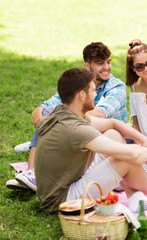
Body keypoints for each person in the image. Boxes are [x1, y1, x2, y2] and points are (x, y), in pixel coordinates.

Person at [35, 68, 147, 213]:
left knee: (113, 134)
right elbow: (132, 155)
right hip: (63, 201)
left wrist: (146, 141)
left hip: (66, 183)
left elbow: (113, 123)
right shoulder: (75, 129)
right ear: (81, 95)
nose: (95, 94)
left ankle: (135, 198)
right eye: (93, 91)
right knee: (125, 157)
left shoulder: (65, 112)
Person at [7, 42, 127, 191]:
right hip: (79, 135)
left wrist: (59, 116)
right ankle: (31, 172)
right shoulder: (78, 84)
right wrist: (39, 119)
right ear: (87, 66)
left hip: (105, 139)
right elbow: (41, 108)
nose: (106, 68)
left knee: (55, 114)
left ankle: (37, 168)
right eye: (100, 63)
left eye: (108, 62)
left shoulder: (117, 87)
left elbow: (100, 114)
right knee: (49, 112)